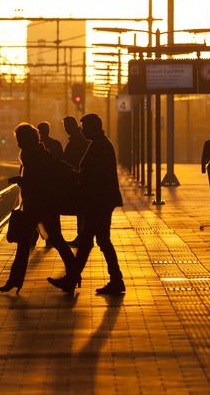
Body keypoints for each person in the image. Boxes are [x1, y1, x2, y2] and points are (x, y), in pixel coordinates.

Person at [48, 113, 125, 295]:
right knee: (91, 241)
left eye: (85, 127)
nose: (82, 131)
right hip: (99, 201)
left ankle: (113, 280)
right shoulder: (100, 144)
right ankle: (75, 279)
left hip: (99, 201)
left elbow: (92, 175)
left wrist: (72, 173)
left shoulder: (100, 146)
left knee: (97, 241)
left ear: (93, 127)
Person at [0, 123, 77, 294]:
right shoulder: (40, 152)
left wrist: (20, 180)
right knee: (53, 240)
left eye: (19, 139)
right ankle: (15, 280)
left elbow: (37, 180)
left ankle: (15, 281)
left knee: (32, 242)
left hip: (39, 204)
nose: (18, 143)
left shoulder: (31, 154)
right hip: (43, 204)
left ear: (26, 139)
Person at [62, 116, 89, 247]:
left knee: (81, 209)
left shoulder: (77, 141)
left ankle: (83, 237)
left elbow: (73, 159)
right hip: (79, 178)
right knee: (81, 209)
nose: (66, 129)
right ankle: (82, 236)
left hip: (79, 179)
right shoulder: (77, 139)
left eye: (67, 127)